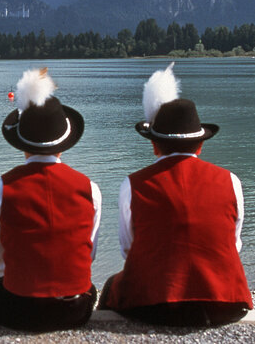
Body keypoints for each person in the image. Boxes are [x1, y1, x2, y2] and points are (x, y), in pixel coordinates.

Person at [99, 63, 252, 326]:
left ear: (154, 145)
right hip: (225, 305)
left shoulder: (133, 185)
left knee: (113, 283)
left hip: (155, 306)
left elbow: (129, 250)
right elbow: (233, 244)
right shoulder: (231, 181)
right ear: (201, 145)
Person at [0, 68, 102, 331]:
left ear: (21, 144)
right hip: (75, 309)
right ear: (64, 143)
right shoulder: (90, 188)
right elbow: (88, 253)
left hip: (19, 309)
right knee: (90, 289)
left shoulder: (0, 188)